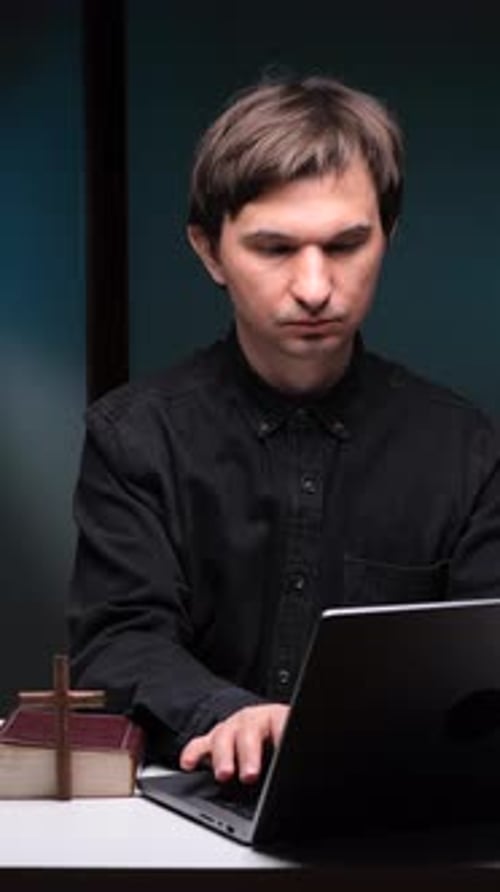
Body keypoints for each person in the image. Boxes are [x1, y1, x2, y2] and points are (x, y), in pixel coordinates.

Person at [68, 74, 500, 786]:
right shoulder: (134, 437)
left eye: (345, 245)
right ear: (210, 251)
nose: (314, 287)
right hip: (185, 817)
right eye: (274, 248)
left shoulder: (469, 451)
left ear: (387, 237)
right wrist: (226, 712)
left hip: (396, 819)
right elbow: (118, 642)